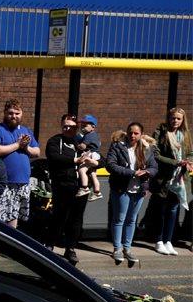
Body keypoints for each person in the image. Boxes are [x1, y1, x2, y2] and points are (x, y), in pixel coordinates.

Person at [45, 115, 96, 265]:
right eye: (65, 126)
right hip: (62, 185)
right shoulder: (55, 141)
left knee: (76, 219)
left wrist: (95, 161)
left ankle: (70, 248)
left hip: (81, 187)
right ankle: (50, 245)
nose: (67, 129)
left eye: (71, 127)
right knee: (59, 216)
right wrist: (75, 160)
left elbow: (100, 157)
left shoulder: (83, 142)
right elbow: (54, 158)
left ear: (77, 128)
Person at [106, 122, 158, 265]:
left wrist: (147, 172)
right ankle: (117, 248)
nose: (132, 136)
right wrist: (133, 172)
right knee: (119, 218)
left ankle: (127, 248)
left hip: (138, 190)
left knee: (132, 219)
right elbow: (110, 165)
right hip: (121, 188)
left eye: (136, 133)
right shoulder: (118, 146)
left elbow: (154, 167)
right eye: (130, 132)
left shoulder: (147, 148)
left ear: (141, 134)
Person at [0, 99, 40, 228]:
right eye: (11, 113)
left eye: (17, 113)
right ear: (5, 113)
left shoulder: (26, 131)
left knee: (14, 218)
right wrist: (18, 144)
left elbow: (37, 152)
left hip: (23, 183)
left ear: (21, 114)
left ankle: (7, 247)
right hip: (5, 183)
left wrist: (26, 147)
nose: (14, 116)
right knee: (0, 217)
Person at [151, 108, 192, 255]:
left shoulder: (186, 135)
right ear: (168, 118)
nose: (175, 121)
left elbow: (190, 152)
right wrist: (175, 162)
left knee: (173, 210)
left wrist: (188, 161)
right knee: (161, 210)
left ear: (182, 120)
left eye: (178, 119)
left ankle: (168, 241)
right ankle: (159, 241)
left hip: (179, 179)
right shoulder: (161, 132)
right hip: (164, 178)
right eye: (173, 118)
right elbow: (155, 154)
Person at [76, 115, 103, 201]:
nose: (82, 127)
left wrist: (77, 144)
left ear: (93, 127)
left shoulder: (89, 135)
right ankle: (97, 192)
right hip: (96, 155)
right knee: (93, 174)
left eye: (85, 125)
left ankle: (84, 188)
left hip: (91, 154)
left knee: (81, 170)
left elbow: (83, 147)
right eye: (82, 125)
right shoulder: (95, 135)